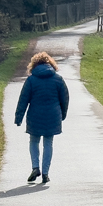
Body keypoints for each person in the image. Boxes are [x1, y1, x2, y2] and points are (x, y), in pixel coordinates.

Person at [15, 51, 70, 184]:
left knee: (34, 141)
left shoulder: (31, 80)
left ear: (34, 65)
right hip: (53, 115)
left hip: (35, 115)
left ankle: (35, 167)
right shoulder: (58, 79)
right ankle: (45, 173)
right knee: (48, 143)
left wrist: (19, 117)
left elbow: (23, 100)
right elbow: (65, 99)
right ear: (51, 64)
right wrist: (63, 114)